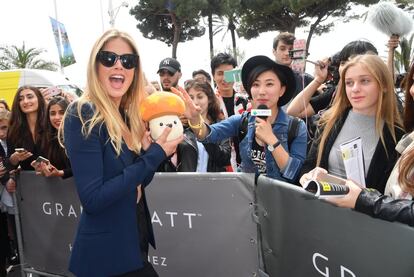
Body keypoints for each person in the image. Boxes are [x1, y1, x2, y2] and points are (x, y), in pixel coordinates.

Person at [61, 29, 182, 277]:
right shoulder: (82, 113)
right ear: (95, 65)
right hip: (105, 256)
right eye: (109, 58)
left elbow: (139, 180)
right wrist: (153, 155)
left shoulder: (126, 116)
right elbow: (93, 199)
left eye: (128, 61)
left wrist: (149, 153)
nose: (119, 65)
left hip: (132, 244)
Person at [175, 55, 307, 182]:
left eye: (269, 84)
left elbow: (294, 173)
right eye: (256, 84)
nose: (261, 91)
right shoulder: (241, 121)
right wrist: (194, 119)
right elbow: (207, 134)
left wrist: (271, 140)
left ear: (282, 90)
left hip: (278, 201)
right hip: (244, 199)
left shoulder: (296, 127)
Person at [300, 54, 405, 194]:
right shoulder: (329, 121)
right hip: (321, 210)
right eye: (349, 83)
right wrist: (307, 177)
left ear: (384, 85)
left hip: (363, 215)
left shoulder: (397, 134)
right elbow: (308, 167)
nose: (355, 89)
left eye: (365, 81)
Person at [177, 79, 231, 172]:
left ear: (209, 99)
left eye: (200, 97)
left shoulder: (220, 125)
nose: (195, 102)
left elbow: (225, 159)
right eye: (191, 97)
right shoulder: (179, 127)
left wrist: (204, 136)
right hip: (186, 183)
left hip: (213, 184)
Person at [210, 53, 250, 170]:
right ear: (213, 76)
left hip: (244, 161)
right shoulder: (209, 102)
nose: (224, 79)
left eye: (228, 74)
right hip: (219, 162)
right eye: (220, 73)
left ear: (235, 74)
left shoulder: (245, 101)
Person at [7, 86, 47, 170]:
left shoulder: (50, 125)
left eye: (30, 97)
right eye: (20, 99)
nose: (25, 101)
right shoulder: (14, 130)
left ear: (39, 99)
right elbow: (9, 165)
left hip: (57, 179)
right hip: (28, 180)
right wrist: (15, 158)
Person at [31, 96, 72, 178]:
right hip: (52, 188)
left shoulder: (79, 137)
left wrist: (61, 173)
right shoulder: (43, 138)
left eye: (62, 112)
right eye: (52, 113)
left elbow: (82, 166)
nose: (57, 117)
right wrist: (41, 167)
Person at [272, 32, 313, 103]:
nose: (287, 53)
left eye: (291, 49)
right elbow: (255, 112)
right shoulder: (263, 77)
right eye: (282, 49)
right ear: (274, 51)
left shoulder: (306, 79)